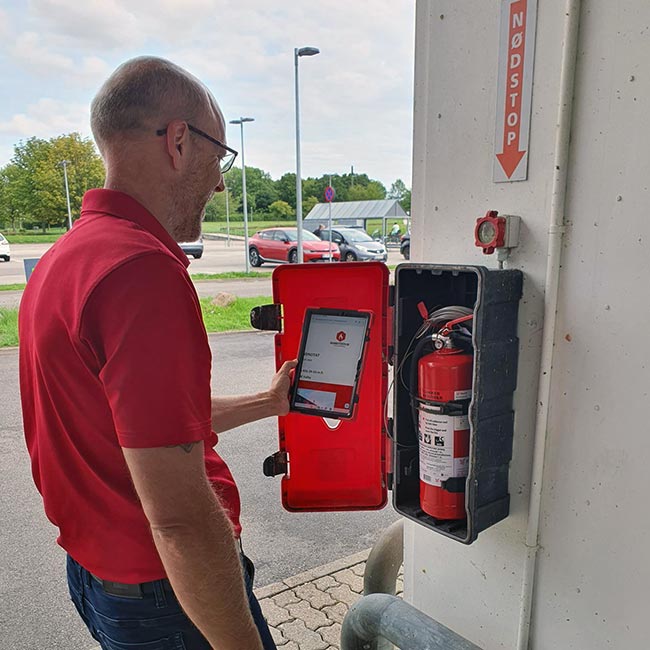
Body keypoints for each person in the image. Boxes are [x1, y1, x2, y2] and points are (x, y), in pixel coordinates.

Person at [18, 56, 295, 650]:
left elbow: (142, 428)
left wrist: (269, 402)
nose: (221, 183)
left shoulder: (67, 257)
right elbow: (180, 521)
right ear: (177, 141)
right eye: (220, 157)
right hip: (167, 596)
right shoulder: (143, 272)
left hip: (98, 580)